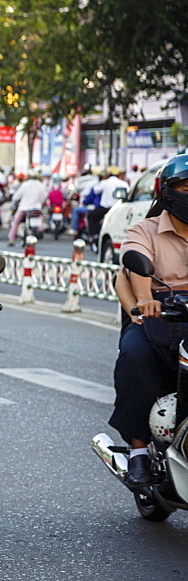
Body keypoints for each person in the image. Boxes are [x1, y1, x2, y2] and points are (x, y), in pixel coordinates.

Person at [109, 155, 188, 486]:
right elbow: (132, 271)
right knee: (135, 357)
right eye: (184, 187)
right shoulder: (145, 229)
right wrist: (144, 301)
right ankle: (139, 450)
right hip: (159, 314)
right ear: (167, 192)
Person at [86, 166, 129, 238]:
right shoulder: (124, 184)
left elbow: (96, 191)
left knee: (91, 216)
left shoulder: (104, 182)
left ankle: (93, 235)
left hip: (104, 208)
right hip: (118, 209)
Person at [7, 171, 48, 245]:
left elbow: (16, 197)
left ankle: (11, 239)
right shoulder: (41, 185)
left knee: (15, 222)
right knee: (40, 220)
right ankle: (40, 231)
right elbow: (44, 197)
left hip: (23, 207)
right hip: (36, 208)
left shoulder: (25, 184)